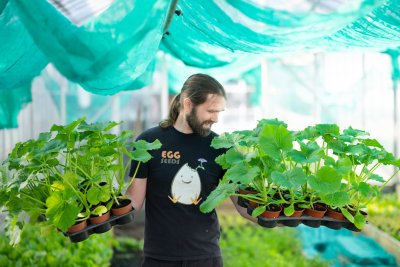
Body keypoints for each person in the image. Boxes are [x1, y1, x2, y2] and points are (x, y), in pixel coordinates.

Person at [127, 73, 255, 267]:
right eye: (211, 111)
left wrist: (283, 217)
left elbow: (243, 205)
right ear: (188, 105)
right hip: (159, 258)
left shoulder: (221, 147)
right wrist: (95, 217)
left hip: (205, 257)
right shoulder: (148, 142)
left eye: (219, 111)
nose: (216, 119)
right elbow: (133, 201)